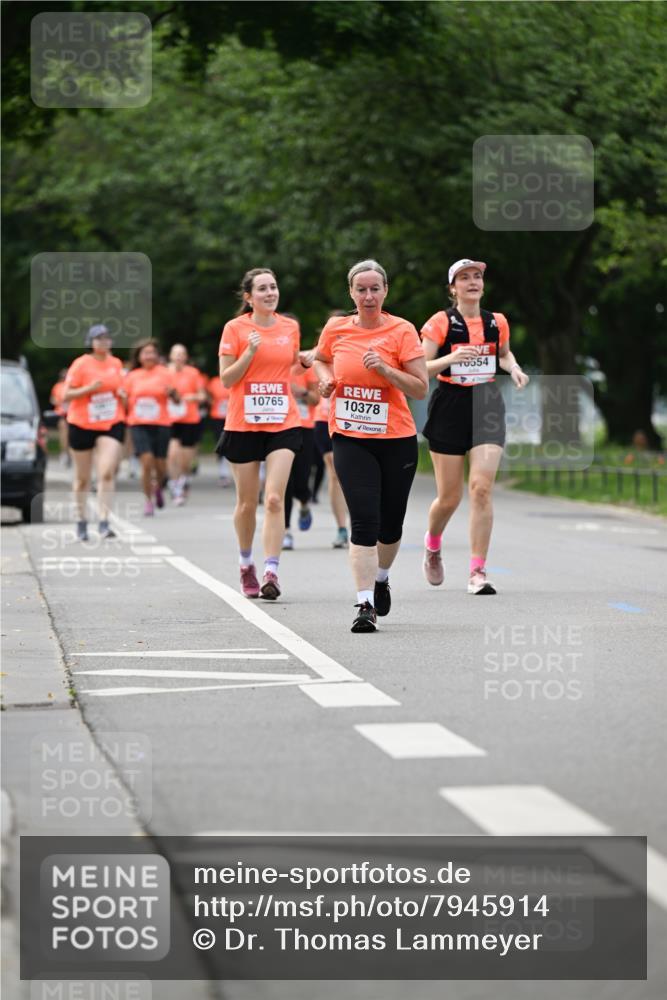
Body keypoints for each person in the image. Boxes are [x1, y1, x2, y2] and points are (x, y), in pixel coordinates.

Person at [313, 259, 428, 632]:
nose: (368, 296)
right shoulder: (336, 328)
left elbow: (419, 387)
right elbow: (319, 360)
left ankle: (381, 577)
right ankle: (364, 605)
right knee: (363, 519)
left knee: (390, 525)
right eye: (360, 289)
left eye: (374, 289)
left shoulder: (402, 330)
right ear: (351, 292)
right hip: (349, 436)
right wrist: (326, 380)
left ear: (385, 291)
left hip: (396, 438)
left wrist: (385, 370)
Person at [421, 258, 529, 595]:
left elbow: (504, 355)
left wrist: (513, 368)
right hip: (450, 404)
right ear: (453, 287)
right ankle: (433, 544)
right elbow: (421, 368)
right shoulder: (440, 322)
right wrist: (451, 359)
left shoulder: (497, 322)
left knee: (481, 488)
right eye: (464, 277)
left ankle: (477, 571)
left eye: (477, 277)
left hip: (486, 404)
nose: (472, 282)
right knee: (449, 497)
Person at [218, 268, 303, 600]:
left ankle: (271, 570)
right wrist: (249, 352)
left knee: (273, 498)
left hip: (283, 420)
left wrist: (311, 362)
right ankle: (245, 563)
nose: (270, 293)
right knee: (246, 503)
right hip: (243, 423)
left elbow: (291, 363)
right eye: (263, 289)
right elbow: (227, 379)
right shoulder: (235, 329)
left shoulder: (289, 327)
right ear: (249, 297)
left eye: (274, 287)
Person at [63, 324, 125, 540]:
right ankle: (81, 521)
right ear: (91, 342)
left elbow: (122, 390)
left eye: (107, 338)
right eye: (98, 338)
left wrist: (123, 395)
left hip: (111, 422)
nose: (103, 342)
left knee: (106, 471)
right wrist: (89, 389)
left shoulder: (116, 364)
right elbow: (66, 395)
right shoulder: (81, 364)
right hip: (81, 424)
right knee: (82, 479)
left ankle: (104, 522)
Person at [119, 339, 180, 516]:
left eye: (152, 352)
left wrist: (172, 393)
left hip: (161, 423)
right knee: (146, 461)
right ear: (139, 356)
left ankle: (158, 487)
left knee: (161, 466)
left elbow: (177, 399)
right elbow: (124, 403)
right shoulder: (132, 376)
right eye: (145, 353)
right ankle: (148, 500)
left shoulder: (165, 373)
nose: (149, 356)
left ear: (157, 355)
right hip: (138, 424)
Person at [282, 366, 320, 550]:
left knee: (301, 480)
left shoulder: (306, 369)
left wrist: (301, 392)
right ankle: (286, 531)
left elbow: (316, 399)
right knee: (284, 484)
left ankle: (304, 501)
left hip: (304, 429)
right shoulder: (274, 367)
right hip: (280, 428)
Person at [166, 344, 208, 505]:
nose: (178, 356)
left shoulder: (193, 373)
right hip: (170, 419)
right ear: (170, 356)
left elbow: (202, 396)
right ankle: (175, 485)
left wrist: (191, 397)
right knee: (172, 454)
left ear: (186, 356)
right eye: (176, 353)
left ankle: (184, 479)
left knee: (185, 460)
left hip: (190, 419)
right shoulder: (164, 373)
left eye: (182, 354)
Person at [207, 374, 232, 485]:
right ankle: (223, 472)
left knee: (231, 443)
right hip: (217, 416)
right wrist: (210, 401)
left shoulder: (237, 377)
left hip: (232, 416)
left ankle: (228, 470)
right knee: (220, 442)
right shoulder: (214, 381)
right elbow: (208, 395)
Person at [49, 369, 70, 467]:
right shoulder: (57, 386)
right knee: (63, 433)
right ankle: (64, 453)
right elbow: (53, 399)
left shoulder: (71, 386)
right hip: (61, 413)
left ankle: (70, 453)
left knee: (71, 435)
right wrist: (58, 402)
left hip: (72, 413)